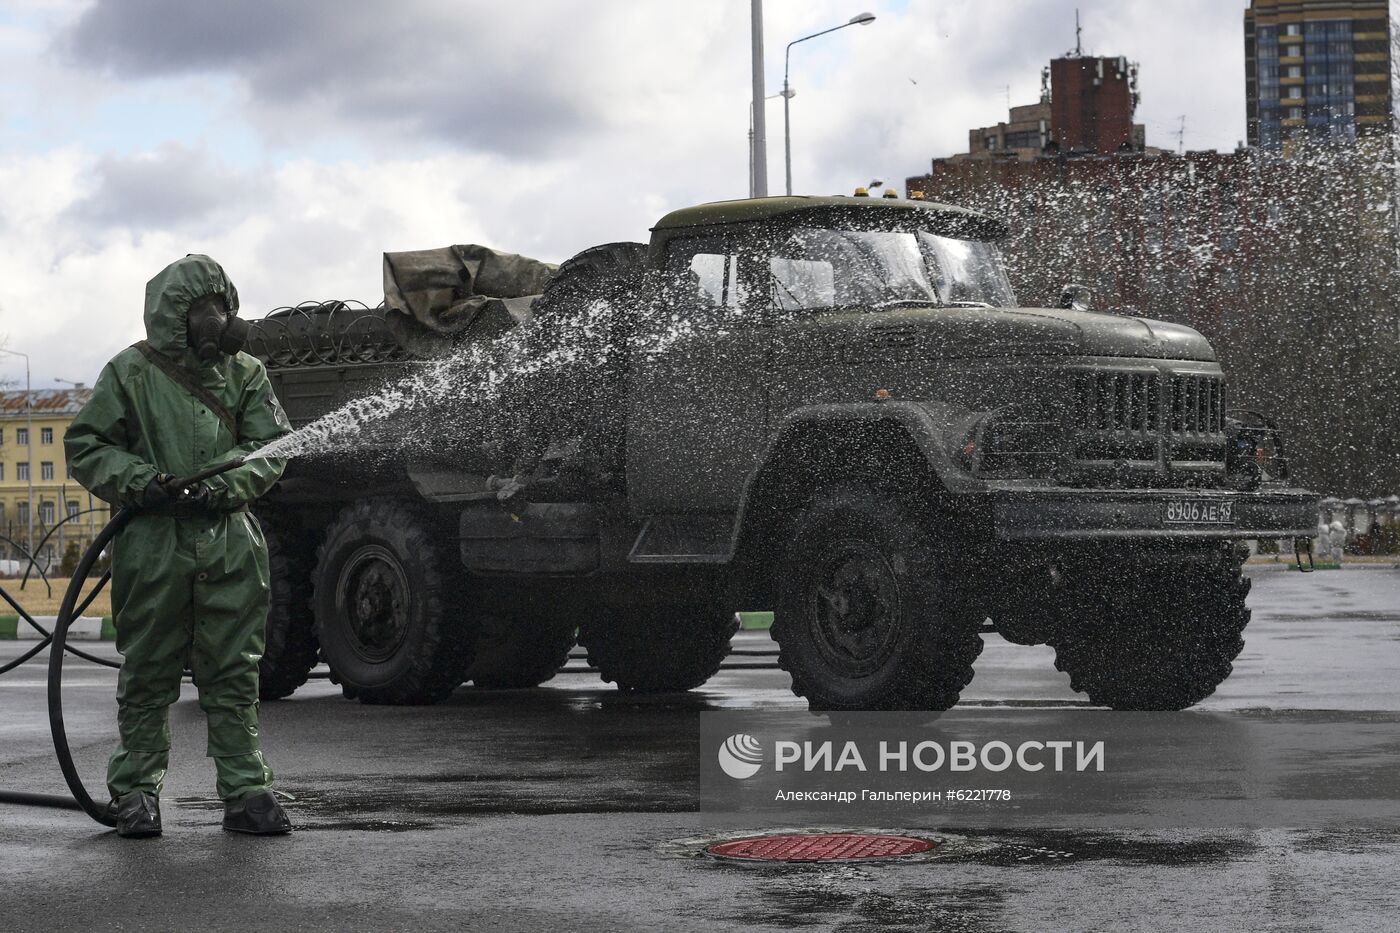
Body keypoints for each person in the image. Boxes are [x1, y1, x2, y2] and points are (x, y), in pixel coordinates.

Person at [65, 254, 294, 838]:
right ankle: (137, 793)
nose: (216, 320)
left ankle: (246, 791)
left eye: (222, 307)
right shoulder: (130, 374)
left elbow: (270, 448)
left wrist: (221, 486)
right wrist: (144, 482)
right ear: (175, 317)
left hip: (229, 546)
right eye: (203, 310)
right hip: (153, 544)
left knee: (235, 674)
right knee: (147, 674)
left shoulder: (247, 374)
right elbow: (87, 445)